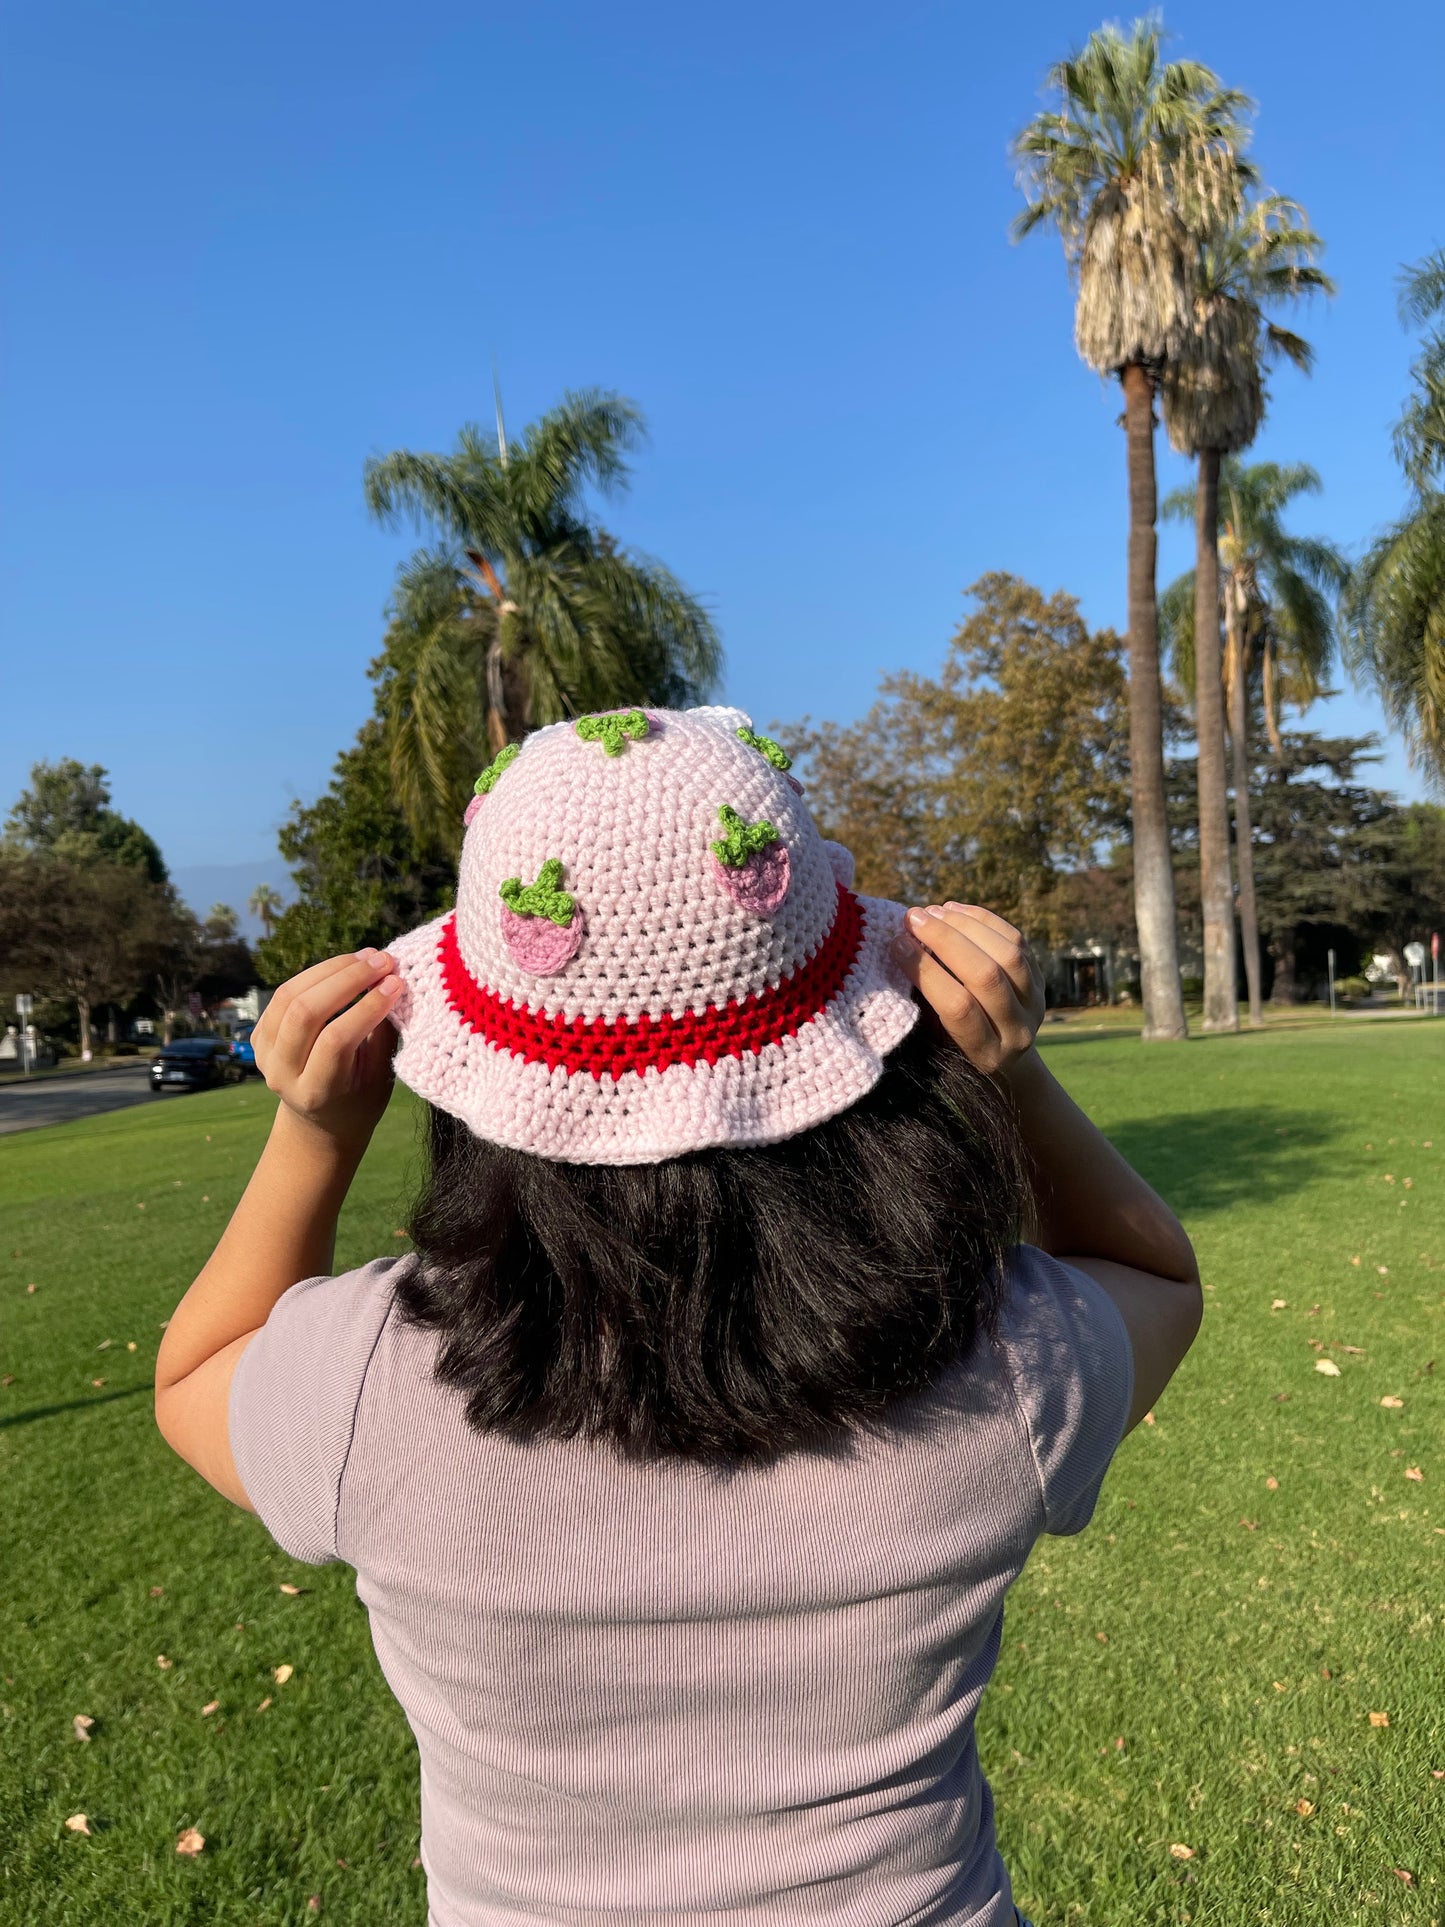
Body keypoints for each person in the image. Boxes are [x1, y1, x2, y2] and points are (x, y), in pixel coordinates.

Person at [155, 705, 1201, 1927]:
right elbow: (1158, 1282)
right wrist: (1012, 1068)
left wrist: (315, 1132)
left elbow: (197, 1374)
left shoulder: (370, 1387)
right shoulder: (1001, 1362)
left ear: (481, 1063)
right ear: (869, 1027)